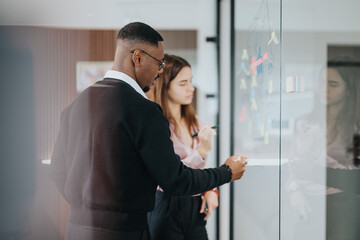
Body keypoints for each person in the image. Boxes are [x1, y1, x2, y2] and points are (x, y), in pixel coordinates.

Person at [49, 22, 247, 240]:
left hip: (75, 231)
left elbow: (57, 172)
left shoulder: (76, 105)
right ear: (138, 58)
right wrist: (226, 172)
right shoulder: (145, 111)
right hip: (125, 233)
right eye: (159, 63)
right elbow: (175, 181)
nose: (159, 72)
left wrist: (85, 210)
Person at [146, 54, 219, 240]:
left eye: (191, 81)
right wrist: (201, 151)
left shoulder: (194, 122)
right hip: (166, 206)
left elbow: (200, 170)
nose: (191, 88)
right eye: (183, 83)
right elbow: (173, 176)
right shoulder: (158, 126)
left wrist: (210, 190)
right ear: (165, 85)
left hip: (195, 206)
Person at [288, 56, 360, 240]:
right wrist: (295, 191)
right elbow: (292, 164)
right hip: (307, 202)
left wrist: (318, 161)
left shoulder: (355, 128)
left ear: (348, 90)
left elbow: (354, 176)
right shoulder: (303, 122)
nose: (324, 89)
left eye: (333, 84)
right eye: (321, 82)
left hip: (342, 204)